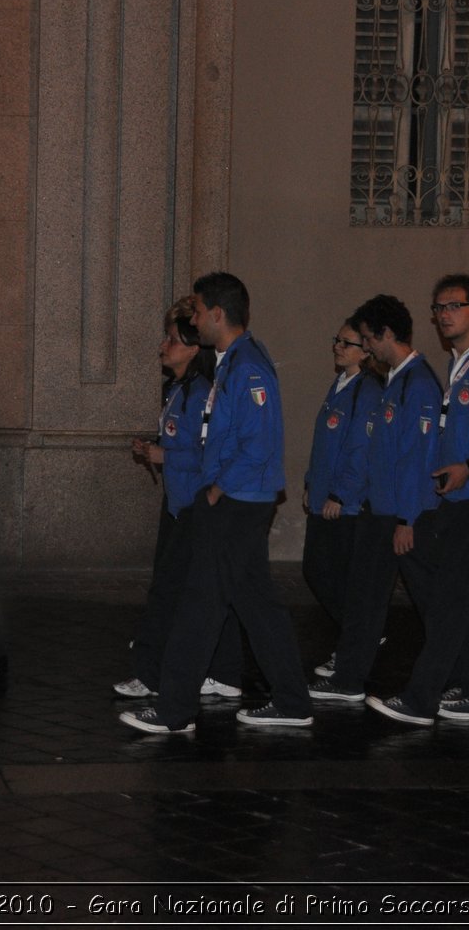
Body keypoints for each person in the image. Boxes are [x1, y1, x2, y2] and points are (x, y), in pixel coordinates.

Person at [120, 272, 313, 732]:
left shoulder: (247, 367)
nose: (195, 319)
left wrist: (217, 489)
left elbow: (258, 443)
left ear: (219, 314)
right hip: (235, 500)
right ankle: (292, 700)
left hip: (237, 503)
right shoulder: (232, 362)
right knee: (258, 606)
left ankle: (174, 710)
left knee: (200, 606)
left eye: (200, 311)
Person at [367, 274, 469, 726]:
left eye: (454, 306)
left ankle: (422, 699)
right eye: (438, 307)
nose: (444, 315)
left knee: (453, 597)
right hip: (462, 495)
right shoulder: (460, 363)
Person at [310, 295, 441, 702]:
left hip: (399, 514)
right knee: (365, 600)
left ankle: (458, 677)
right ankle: (348, 679)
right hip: (379, 509)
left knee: (432, 601)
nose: (367, 348)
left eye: (368, 339)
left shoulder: (417, 383)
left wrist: (407, 518)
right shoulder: (397, 380)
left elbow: (419, 457)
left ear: (386, 335)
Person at [116, 298, 243, 700]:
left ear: (192, 347)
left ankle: (156, 673)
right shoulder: (178, 390)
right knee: (192, 590)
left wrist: (164, 454)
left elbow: (212, 451)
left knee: (174, 592)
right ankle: (223, 671)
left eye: (172, 339)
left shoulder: (203, 392)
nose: (162, 346)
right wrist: (155, 446)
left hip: (194, 506)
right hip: (178, 505)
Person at [301, 316, 380, 676]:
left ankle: (358, 640)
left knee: (331, 575)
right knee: (317, 571)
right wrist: (309, 484)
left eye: (347, 343)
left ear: (365, 352)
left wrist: (340, 494)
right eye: (337, 339)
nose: (338, 346)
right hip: (323, 498)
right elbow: (325, 445)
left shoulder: (367, 391)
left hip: (342, 506)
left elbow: (360, 450)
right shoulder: (340, 384)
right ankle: (360, 636)